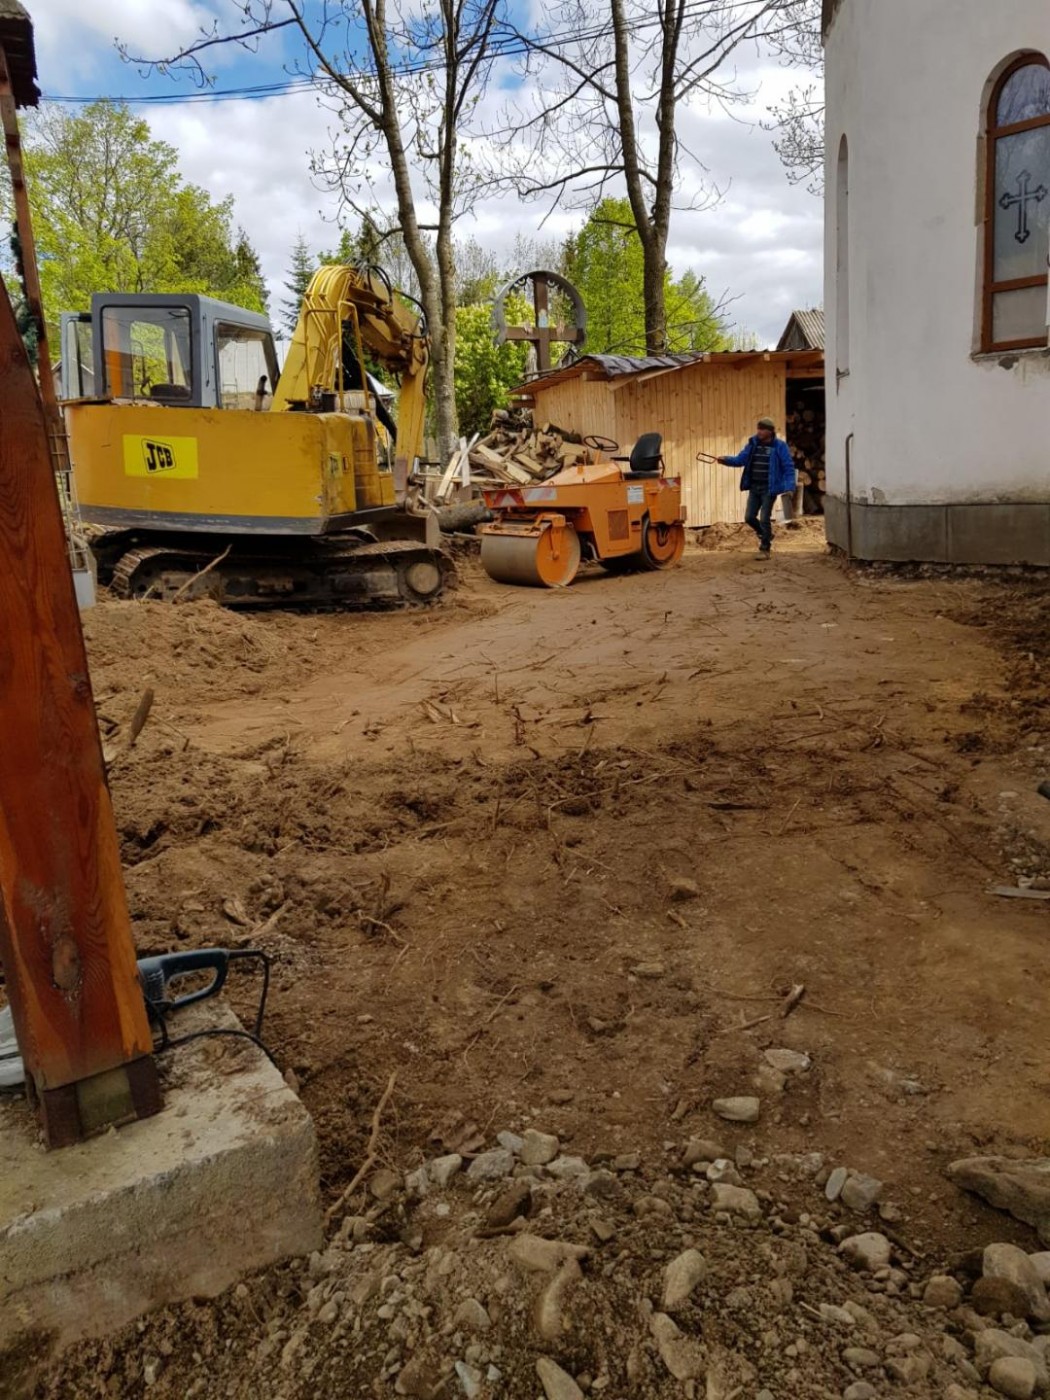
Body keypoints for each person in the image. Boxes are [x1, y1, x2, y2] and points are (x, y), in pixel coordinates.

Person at [718, 418, 797, 559]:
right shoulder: (753, 444)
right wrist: (726, 460)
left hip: (769, 488)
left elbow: (788, 467)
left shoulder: (780, 446)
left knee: (764, 518)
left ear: (770, 431)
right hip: (754, 487)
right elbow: (740, 459)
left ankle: (765, 549)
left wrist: (790, 486)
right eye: (758, 429)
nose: (759, 432)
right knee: (749, 517)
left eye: (762, 429)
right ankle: (766, 534)